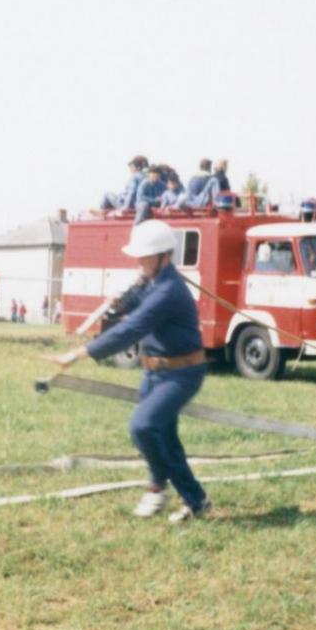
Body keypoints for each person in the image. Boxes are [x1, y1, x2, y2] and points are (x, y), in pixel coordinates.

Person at [44, 219, 211, 523]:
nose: (138, 261)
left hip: (182, 373)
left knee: (143, 426)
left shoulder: (168, 290)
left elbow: (131, 329)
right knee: (165, 438)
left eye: (144, 256)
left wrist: (78, 354)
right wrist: (119, 302)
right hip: (155, 373)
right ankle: (195, 500)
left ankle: (157, 486)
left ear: (163, 256)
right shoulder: (151, 282)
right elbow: (127, 307)